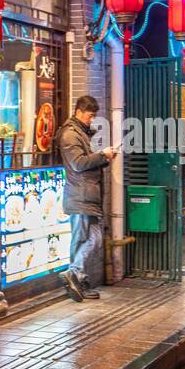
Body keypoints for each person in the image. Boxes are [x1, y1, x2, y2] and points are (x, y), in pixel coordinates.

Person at [55, 95, 119, 301]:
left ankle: (77, 276)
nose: (92, 120)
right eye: (91, 116)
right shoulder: (69, 134)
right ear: (80, 111)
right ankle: (75, 275)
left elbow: (85, 162)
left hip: (86, 195)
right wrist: (102, 155)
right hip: (79, 195)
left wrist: (104, 158)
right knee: (82, 238)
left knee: (94, 238)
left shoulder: (80, 133)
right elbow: (78, 163)